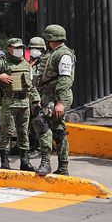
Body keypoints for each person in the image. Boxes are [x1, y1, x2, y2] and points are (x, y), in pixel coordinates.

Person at [0, 38, 40, 171]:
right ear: (9, 49)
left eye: (21, 47)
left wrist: (36, 99)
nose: (19, 50)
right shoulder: (2, 63)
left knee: (23, 132)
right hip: (9, 101)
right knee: (7, 132)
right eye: (16, 48)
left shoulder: (25, 64)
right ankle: (5, 161)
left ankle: (25, 162)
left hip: (24, 102)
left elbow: (30, 85)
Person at [36, 24, 76, 176]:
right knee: (58, 129)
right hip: (49, 96)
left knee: (43, 122)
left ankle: (47, 163)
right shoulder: (54, 52)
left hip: (57, 97)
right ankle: (62, 167)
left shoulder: (64, 54)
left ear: (50, 38)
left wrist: (60, 102)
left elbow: (65, 80)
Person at [27, 37, 48, 154]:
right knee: (30, 122)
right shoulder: (31, 62)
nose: (34, 50)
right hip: (31, 96)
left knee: (39, 122)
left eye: (37, 48)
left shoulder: (45, 62)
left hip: (42, 96)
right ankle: (32, 145)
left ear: (42, 49)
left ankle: (39, 148)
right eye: (32, 48)